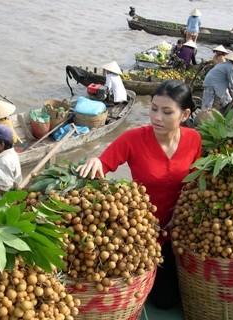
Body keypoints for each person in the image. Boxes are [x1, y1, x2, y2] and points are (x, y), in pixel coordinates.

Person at [77, 79, 202, 309]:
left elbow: (194, 185)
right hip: (139, 232)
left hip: (176, 231)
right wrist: (94, 161)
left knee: (168, 301)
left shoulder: (194, 140)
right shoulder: (133, 138)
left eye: (167, 112)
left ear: (184, 115)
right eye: (153, 108)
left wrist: (180, 217)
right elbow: (103, 164)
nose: (157, 117)